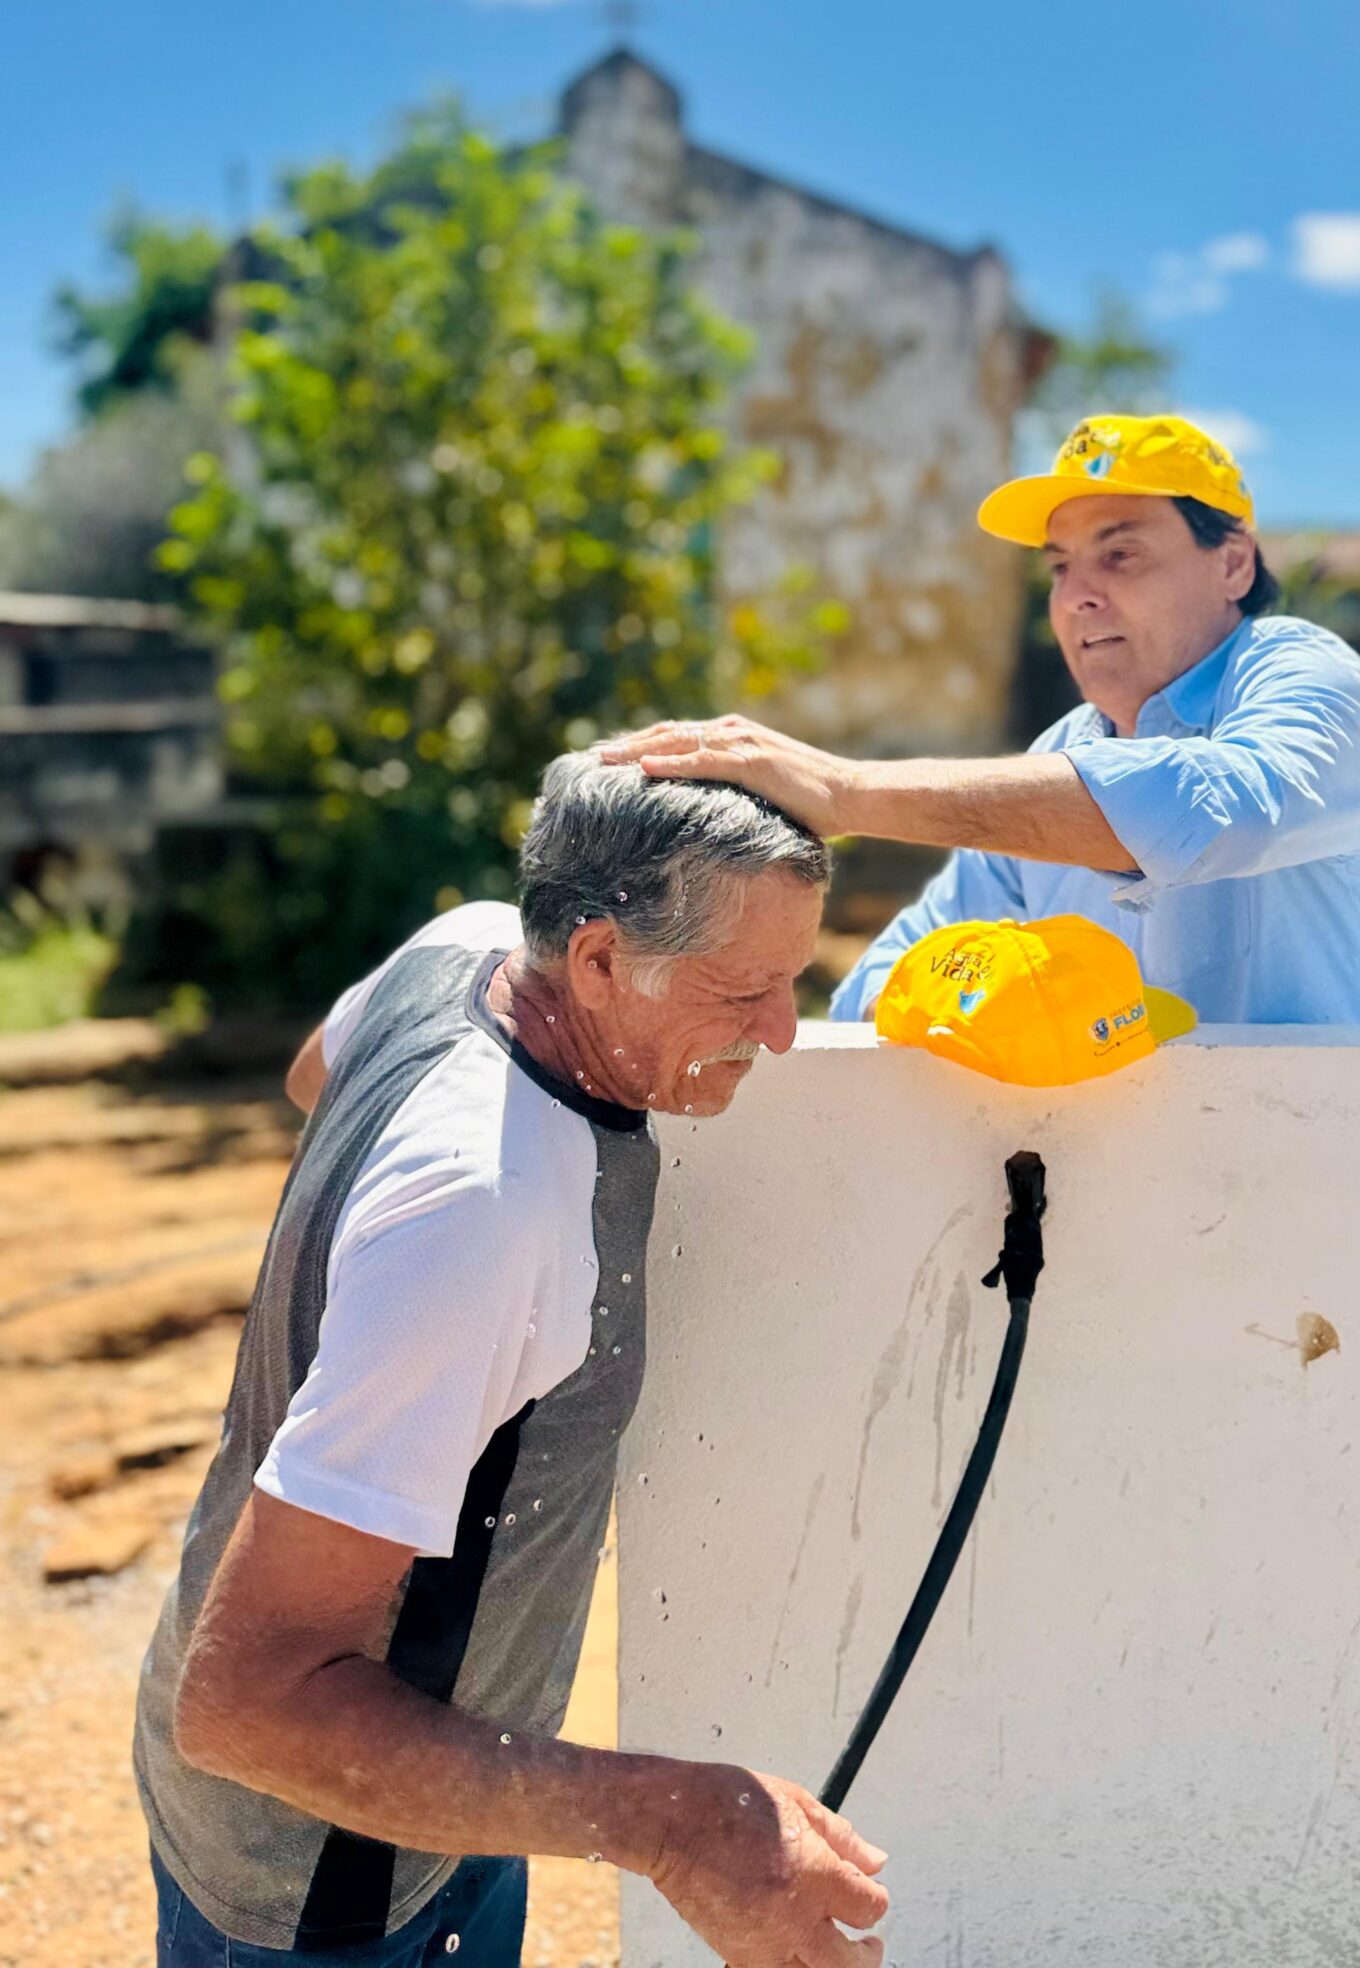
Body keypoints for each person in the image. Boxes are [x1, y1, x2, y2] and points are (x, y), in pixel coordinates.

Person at [135, 754, 890, 1968]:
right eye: (744, 988)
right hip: (329, 1871)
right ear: (594, 960)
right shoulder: (486, 1215)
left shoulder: (467, 946)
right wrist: (679, 1823)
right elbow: (250, 1703)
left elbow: (314, 1069)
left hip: (445, 1789)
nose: (783, 1032)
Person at [609, 413, 1360, 1029]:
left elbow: (1218, 807)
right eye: (1060, 568)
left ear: (1232, 564)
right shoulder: (1061, 756)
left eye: (1121, 553)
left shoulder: (1305, 674)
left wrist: (847, 793)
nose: (1079, 597)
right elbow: (890, 979)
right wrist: (985, 1002)